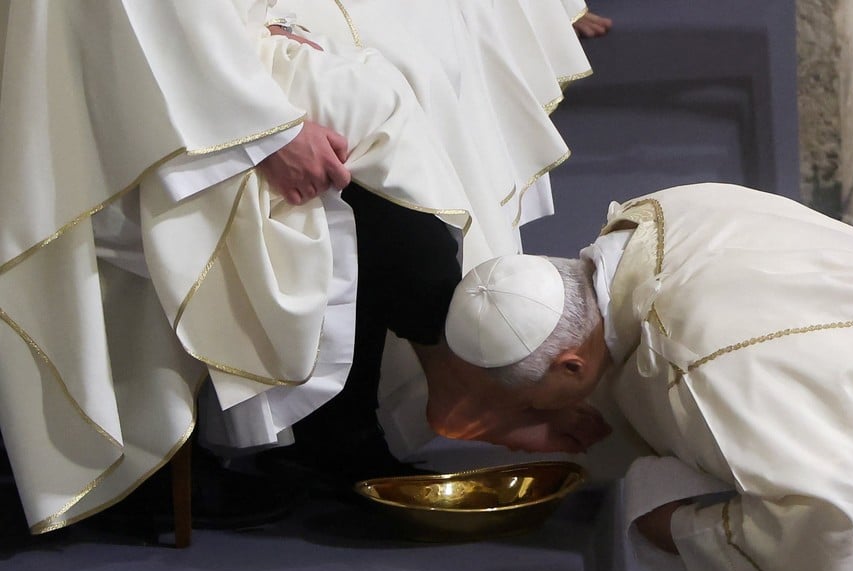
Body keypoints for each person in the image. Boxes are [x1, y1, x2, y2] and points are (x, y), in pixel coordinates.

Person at [0, 0, 594, 533]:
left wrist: (259, 26)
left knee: (386, 83)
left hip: (186, 53)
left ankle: (409, 389)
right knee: (364, 133)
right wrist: (265, 130)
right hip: (111, 103)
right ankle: (439, 381)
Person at [435, 183, 853, 571]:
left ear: (571, 367)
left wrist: (679, 529)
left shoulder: (694, 368)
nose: (533, 416)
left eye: (531, 403)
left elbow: (829, 518)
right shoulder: (657, 217)